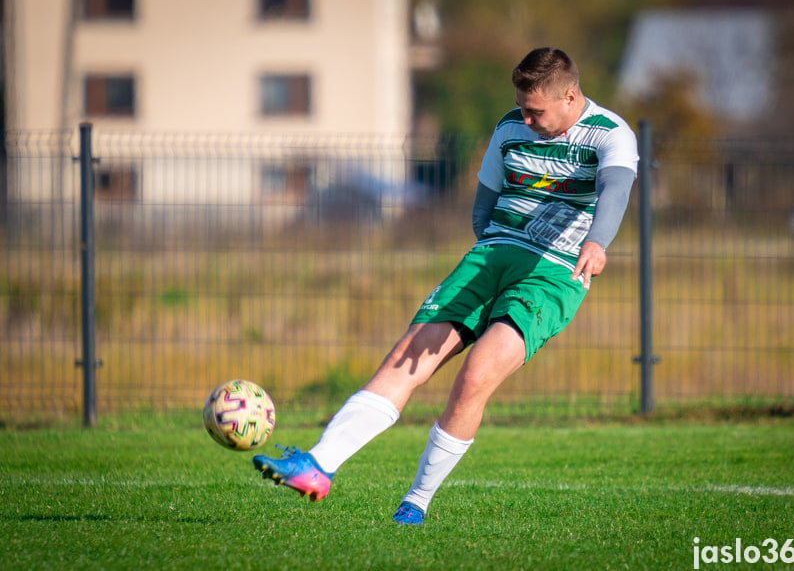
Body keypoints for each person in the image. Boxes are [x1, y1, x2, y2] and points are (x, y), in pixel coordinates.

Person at [253, 47, 639, 525]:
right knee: (406, 357)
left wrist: (598, 242)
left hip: (555, 271)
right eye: (521, 106)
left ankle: (416, 500)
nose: (526, 117)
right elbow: (486, 199)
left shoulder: (611, 134)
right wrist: (490, 245)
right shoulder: (508, 128)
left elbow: (617, 189)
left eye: (535, 110)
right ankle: (317, 465)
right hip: (490, 257)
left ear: (570, 95)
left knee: (475, 375)